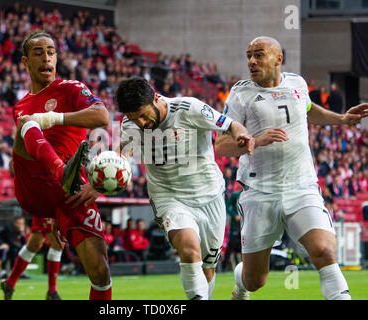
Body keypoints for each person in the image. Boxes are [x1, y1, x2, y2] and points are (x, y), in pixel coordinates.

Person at [215, 36, 368, 300]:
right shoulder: (241, 94)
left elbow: (307, 110)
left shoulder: (297, 83)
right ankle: (240, 283)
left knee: (324, 251)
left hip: (301, 186)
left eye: (259, 54)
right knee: (255, 280)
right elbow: (221, 145)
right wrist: (257, 140)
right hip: (260, 192)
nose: (251, 61)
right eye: (249, 55)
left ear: (278, 59)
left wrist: (342, 119)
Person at [117, 77, 254, 300]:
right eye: (135, 118)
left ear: (155, 98)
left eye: (143, 115)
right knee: (189, 250)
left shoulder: (189, 108)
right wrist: (117, 162)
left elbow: (230, 125)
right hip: (168, 197)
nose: (141, 122)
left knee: (208, 268)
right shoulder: (130, 123)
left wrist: (240, 134)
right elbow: (123, 151)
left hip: (209, 195)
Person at [0, 30, 112, 300]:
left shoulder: (71, 89)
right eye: (38, 52)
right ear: (26, 62)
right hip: (37, 184)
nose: (46, 57)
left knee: (100, 270)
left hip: (70, 194)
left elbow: (102, 116)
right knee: (26, 122)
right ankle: (63, 172)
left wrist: (54, 118)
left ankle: (39, 288)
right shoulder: (21, 106)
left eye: (51, 52)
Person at [1, 217, 65, 300]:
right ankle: (10, 283)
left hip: (58, 209)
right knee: (38, 244)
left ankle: (52, 290)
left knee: (56, 243)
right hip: (46, 209)